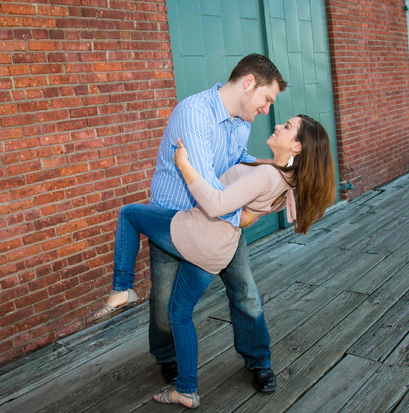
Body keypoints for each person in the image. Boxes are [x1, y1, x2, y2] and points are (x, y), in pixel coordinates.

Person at [95, 115, 336, 408]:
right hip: (217, 250)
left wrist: (183, 164)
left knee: (129, 214)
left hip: (196, 232)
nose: (275, 124)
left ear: (298, 146)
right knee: (178, 313)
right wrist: (245, 215)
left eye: (286, 127)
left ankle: (122, 287)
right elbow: (250, 207)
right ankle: (185, 389)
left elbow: (216, 205)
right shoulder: (288, 179)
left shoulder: (267, 175)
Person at [97, 54, 288, 392]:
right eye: (266, 99)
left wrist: (275, 168)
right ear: (248, 83)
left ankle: (259, 361)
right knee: (164, 302)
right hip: (175, 221)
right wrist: (245, 215)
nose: (266, 109)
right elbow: (207, 188)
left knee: (245, 294)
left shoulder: (241, 121)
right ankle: (168, 358)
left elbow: (237, 160)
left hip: (221, 227)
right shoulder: (194, 113)